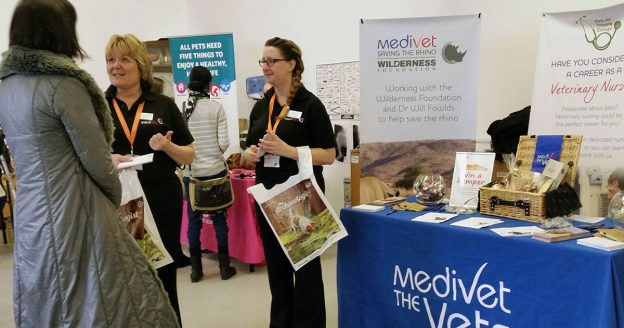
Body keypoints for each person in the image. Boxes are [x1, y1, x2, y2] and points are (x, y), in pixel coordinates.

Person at [0, 1, 179, 327]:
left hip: (29, 213)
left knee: (45, 294)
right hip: (76, 210)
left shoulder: (7, 86)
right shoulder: (65, 85)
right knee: (99, 298)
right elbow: (97, 160)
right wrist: (112, 196)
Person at [242, 37, 336, 328]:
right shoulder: (262, 107)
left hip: (301, 198)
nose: (265, 67)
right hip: (269, 198)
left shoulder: (311, 106)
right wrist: (249, 154)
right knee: (278, 271)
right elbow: (250, 148)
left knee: (306, 268)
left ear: (291, 65)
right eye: (263, 61)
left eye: (272, 61)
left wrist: (290, 151)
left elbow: (330, 154)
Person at [105, 34, 195, 326]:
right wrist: (108, 159)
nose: (116, 66)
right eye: (111, 59)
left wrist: (167, 146)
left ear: (141, 65)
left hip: (161, 200)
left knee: (164, 270)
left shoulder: (164, 104)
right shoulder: (98, 106)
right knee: (122, 274)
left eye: (124, 59)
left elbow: (189, 155)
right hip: (116, 201)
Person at [183, 65, 237, 282]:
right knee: (219, 219)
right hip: (215, 173)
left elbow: (180, 143)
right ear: (209, 84)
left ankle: (196, 272)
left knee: (193, 221)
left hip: (192, 174)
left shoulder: (182, 107)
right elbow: (224, 143)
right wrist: (212, 154)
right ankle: (224, 268)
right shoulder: (216, 108)